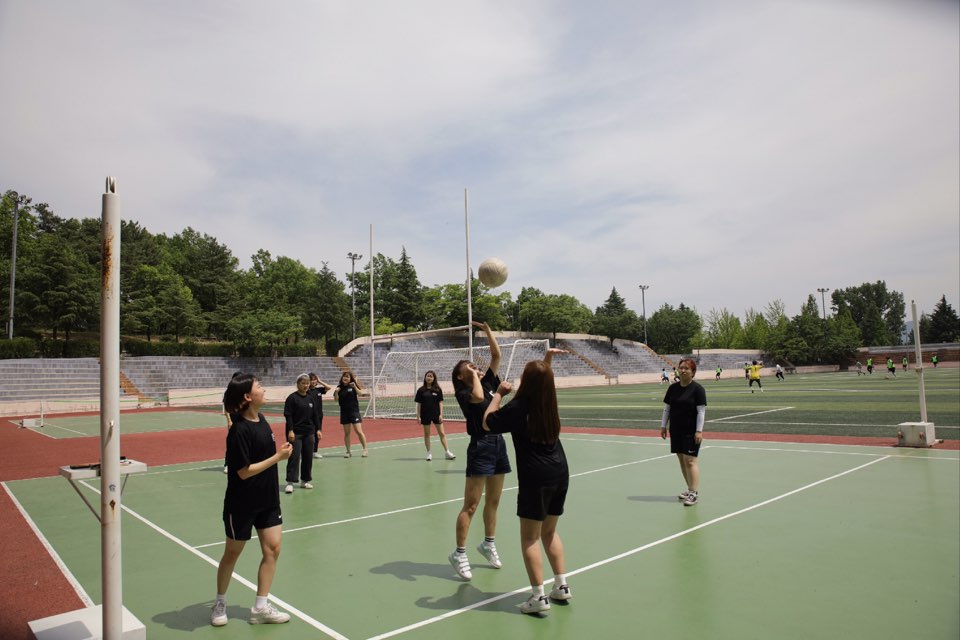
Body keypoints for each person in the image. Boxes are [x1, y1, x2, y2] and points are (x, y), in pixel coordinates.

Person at [482, 348, 571, 615]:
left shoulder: (519, 407)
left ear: (527, 381)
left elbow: (488, 422)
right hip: (560, 471)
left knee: (530, 538)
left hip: (536, 477)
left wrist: (498, 394)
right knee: (550, 532)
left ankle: (538, 597)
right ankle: (561, 585)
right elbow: (543, 378)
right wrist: (547, 359)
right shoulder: (549, 401)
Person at [211, 373, 293, 627]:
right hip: (242, 503)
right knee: (232, 553)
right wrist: (278, 458)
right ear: (248, 396)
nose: (263, 389)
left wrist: (277, 455)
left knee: (273, 549)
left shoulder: (263, 420)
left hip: (268, 499)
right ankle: (220, 602)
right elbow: (244, 472)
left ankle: (260, 607)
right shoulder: (238, 430)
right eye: (259, 386)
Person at [448, 321, 509, 581]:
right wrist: (474, 375)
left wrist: (487, 331)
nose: (475, 367)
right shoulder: (464, 392)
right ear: (460, 376)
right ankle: (459, 553)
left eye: (475, 365)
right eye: (469, 367)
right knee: (471, 505)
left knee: (493, 501)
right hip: (480, 446)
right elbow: (478, 397)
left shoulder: (487, 383)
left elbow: (496, 355)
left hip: (498, 443)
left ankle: (488, 544)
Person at [660, 358, 707, 507]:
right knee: (681, 460)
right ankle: (690, 489)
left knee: (690, 461)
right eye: (681, 368)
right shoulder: (672, 388)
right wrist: (663, 426)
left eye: (687, 368)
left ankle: (693, 493)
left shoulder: (698, 389)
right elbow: (667, 409)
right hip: (676, 430)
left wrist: (699, 431)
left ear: (693, 372)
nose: (683, 370)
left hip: (691, 431)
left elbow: (701, 412)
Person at [282, 373, 317, 494]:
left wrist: (318, 429)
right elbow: (288, 415)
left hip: (309, 433)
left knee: (308, 457)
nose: (306, 385)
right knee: (294, 457)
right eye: (303, 383)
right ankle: (290, 482)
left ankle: (305, 481)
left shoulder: (310, 398)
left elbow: (315, 416)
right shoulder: (292, 398)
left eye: (307, 383)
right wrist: (290, 430)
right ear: (298, 384)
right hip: (296, 433)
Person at [415, 370, 455, 461]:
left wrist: (441, 414)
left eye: (431, 376)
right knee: (427, 434)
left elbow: (440, 402)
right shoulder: (421, 390)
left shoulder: (437, 389)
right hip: (425, 415)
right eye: (427, 376)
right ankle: (429, 453)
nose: (429, 377)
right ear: (425, 377)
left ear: (434, 378)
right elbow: (419, 404)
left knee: (442, 433)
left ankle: (447, 452)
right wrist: (418, 416)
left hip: (436, 415)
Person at [334, 371, 369, 457]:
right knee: (347, 433)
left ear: (350, 379)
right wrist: (336, 392)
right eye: (344, 376)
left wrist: (355, 387)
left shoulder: (352, 386)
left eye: (347, 377)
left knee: (359, 431)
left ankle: (365, 449)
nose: (345, 378)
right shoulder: (339, 387)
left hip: (354, 412)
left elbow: (360, 394)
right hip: (344, 413)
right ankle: (348, 452)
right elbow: (335, 400)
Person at [308, 373, 333, 460]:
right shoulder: (306, 391)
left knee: (317, 434)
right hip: (309, 416)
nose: (313, 381)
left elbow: (329, 387)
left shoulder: (319, 390)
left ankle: (314, 452)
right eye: (311, 380)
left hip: (319, 416)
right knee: (309, 434)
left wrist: (320, 381)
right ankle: (306, 451)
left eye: (315, 380)